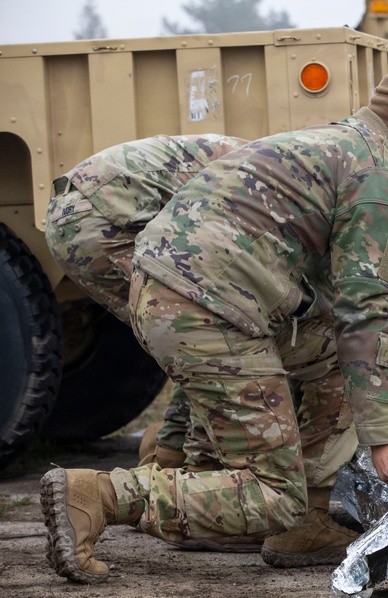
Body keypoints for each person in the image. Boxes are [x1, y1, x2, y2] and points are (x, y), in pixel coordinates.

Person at [40, 61, 388, 583]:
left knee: (327, 355)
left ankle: (295, 514)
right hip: (209, 305)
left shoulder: (323, 146)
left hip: (166, 290)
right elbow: (362, 315)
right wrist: (384, 440)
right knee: (276, 496)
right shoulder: (376, 177)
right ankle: (100, 496)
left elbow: (334, 321)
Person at [45, 134, 250, 470]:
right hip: (102, 219)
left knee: (197, 338)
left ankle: (169, 456)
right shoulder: (276, 177)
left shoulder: (267, 157)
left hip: (77, 213)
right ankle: (189, 470)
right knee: (207, 337)